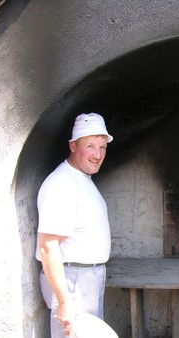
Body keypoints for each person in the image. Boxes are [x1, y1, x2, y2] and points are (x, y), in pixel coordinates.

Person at [35, 112, 113, 337]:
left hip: (86, 277)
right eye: (90, 146)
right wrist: (64, 302)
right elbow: (48, 246)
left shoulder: (81, 179)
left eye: (102, 147)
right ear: (72, 146)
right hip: (72, 281)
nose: (97, 155)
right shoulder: (62, 184)